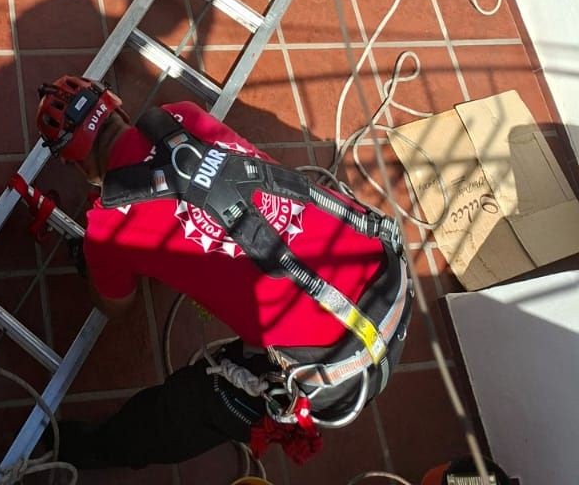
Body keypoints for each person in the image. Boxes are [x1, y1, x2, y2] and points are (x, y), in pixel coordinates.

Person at [32, 75, 412, 470]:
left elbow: (115, 305)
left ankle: (98, 450)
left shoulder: (109, 225)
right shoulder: (183, 116)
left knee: (187, 408)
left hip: (337, 375)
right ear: (118, 108)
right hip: (389, 284)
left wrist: (101, 258)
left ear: (74, 162)